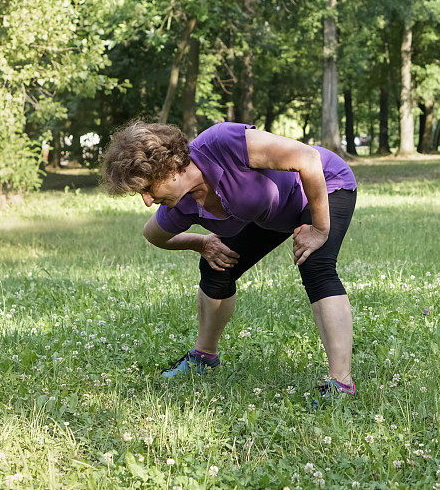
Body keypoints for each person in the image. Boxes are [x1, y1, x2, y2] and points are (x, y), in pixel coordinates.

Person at [101, 121, 358, 397]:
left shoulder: (223, 143)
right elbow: (154, 235)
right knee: (217, 265)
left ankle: (341, 384)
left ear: (170, 167)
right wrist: (201, 243)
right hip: (266, 213)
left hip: (323, 183)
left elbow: (308, 159)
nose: (147, 201)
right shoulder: (180, 205)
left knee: (316, 266)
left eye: (148, 188)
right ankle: (204, 357)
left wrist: (319, 229)